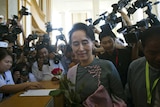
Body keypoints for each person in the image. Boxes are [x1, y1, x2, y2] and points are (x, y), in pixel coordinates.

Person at [67, 22, 125, 104]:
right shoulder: (71, 72)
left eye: (85, 42)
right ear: (71, 46)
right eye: (76, 44)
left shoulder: (107, 66)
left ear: (93, 43)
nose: (80, 48)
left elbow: (120, 99)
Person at [125, 26, 160, 107]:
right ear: (143, 50)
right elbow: (128, 98)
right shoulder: (135, 67)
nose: (159, 58)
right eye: (152, 53)